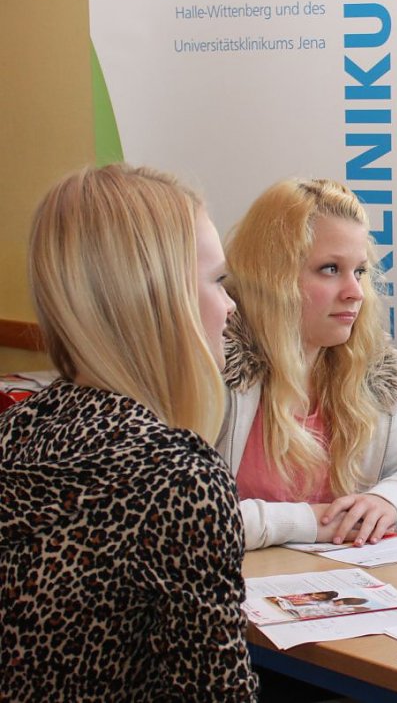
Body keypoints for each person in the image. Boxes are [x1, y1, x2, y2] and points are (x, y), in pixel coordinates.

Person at [0, 164, 257, 700]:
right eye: (216, 281)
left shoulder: (15, 430)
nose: (231, 306)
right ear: (156, 299)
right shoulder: (175, 473)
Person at [218, 178, 397, 550]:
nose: (355, 291)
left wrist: (388, 499)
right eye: (330, 269)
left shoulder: (363, 369)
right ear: (272, 276)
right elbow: (181, 520)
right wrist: (310, 521)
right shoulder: (216, 371)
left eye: (359, 271)